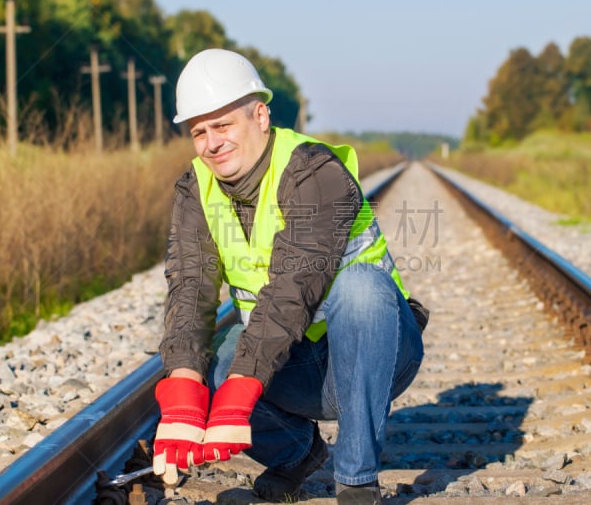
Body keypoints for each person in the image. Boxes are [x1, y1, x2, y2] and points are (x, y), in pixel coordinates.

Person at [152, 48, 427, 504]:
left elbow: (291, 289)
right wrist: (183, 388)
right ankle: (298, 453)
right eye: (198, 132)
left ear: (259, 116)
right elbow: (189, 290)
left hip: (377, 353)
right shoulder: (195, 189)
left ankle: (357, 481)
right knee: (215, 359)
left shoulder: (315, 171)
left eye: (223, 126)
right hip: (297, 366)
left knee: (361, 288)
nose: (211, 143)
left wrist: (242, 391)